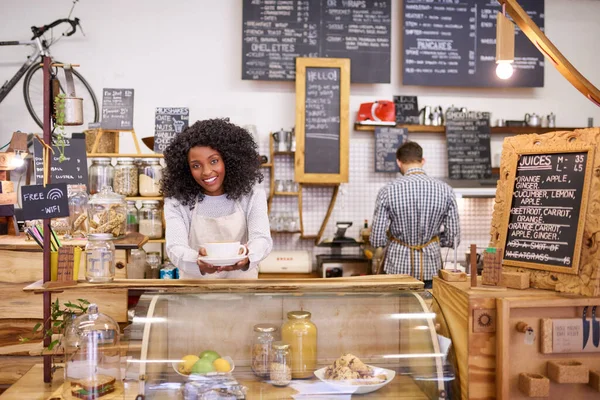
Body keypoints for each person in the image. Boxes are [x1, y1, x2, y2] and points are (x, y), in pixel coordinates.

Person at [162, 118, 272, 279]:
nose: (206, 172)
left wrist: (249, 256)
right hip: (194, 297)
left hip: (243, 296)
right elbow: (175, 247)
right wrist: (197, 261)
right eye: (196, 165)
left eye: (214, 161)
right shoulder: (177, 201)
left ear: (229, 160)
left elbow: (261, 238)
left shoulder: (252, 194)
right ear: (186, 168)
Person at [370, 141, 460, 289]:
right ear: (422, 161)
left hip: (396, 268)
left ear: (399, 162)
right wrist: (432, 241)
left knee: (396, 310)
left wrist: (396, 240)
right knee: (428, 309)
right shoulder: (446, 190)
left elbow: (376, 239)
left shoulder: (387, 191)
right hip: (430, 267)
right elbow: (453, 238)